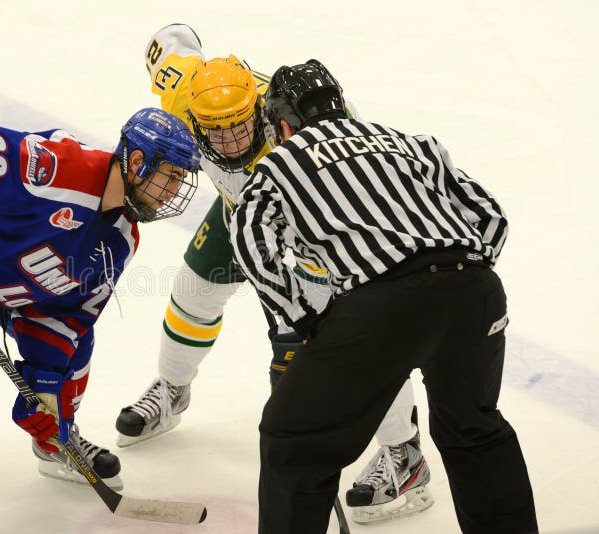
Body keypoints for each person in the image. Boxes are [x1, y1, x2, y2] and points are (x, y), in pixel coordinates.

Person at [114, 23, 433, 523]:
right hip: (241, 211)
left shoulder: (304, 126)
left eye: (241, 126)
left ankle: (405, 454)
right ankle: (173, 390)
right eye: (215, 131)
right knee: (194, 290)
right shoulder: (185, 92)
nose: (231, 140)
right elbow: (173, 39)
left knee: (356, 339)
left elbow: (362, 177)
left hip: (314, 224)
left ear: (261, 112)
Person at [230, 59, 539, 533]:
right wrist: (461, 285)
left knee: (294, 442)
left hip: (380, 310)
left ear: (285, 124)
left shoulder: (279, 163)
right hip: (475, 290)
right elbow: (489, 215)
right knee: (474, 432)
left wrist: (308, 319)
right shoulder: (412, 143)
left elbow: (252, 242)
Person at [0, 107, 201, 533]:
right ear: (138, 163)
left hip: (6, 282)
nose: (173, 192)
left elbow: (68, 318)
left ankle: (55, 443)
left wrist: (44, 390)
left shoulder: (120, 239)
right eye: (171, 176)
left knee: (75, 352)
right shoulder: (62, 169)